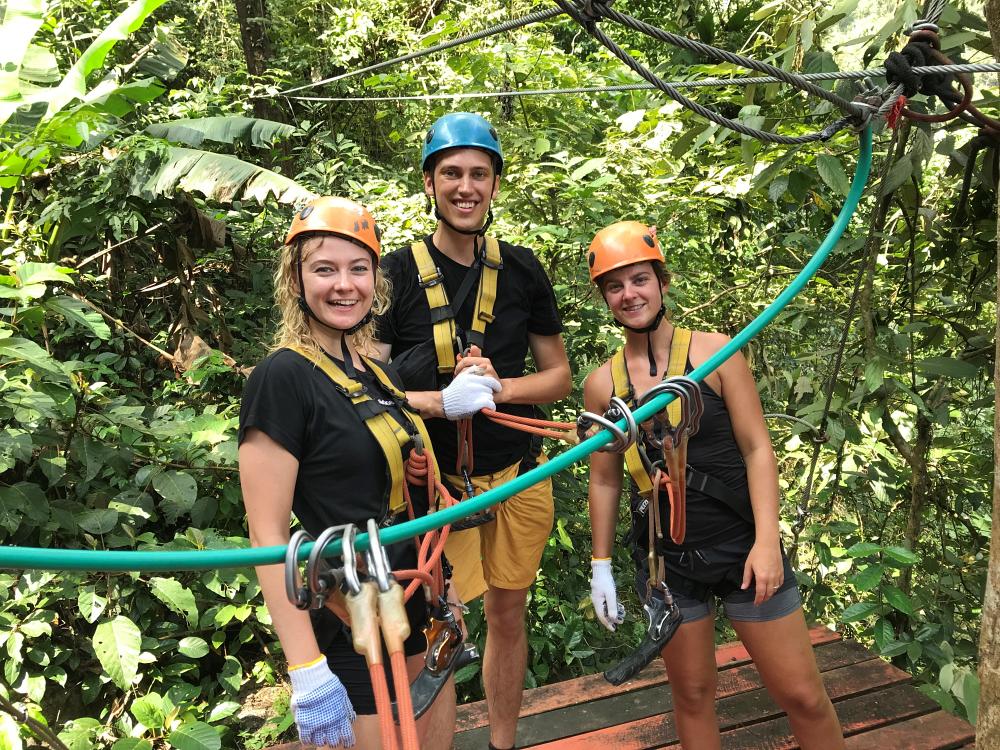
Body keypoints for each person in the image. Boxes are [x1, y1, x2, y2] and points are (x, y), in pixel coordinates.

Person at [238, 197, 499, 748]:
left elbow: (392, 492)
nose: (343, 285)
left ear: (375, 280)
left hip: (417, 605)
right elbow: (266, 537)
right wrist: (306, 669)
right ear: (296, 279)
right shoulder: (281, 378)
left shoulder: (373, 372)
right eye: (324, 269)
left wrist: (445, 589)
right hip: (352, 618)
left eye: (358, 269)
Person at [583, 221, 844, 748]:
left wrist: (768, 543)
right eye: (615, 285)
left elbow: (757, 448)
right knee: (694, 696)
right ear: (605, 298)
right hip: (668, 564)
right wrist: (601, 565)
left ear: (662, 282)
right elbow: (606, 481)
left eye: (639, 279)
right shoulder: (603, 384)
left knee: (803, 695)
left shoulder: (716, 354)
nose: (629, 294)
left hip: (742, 547)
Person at [374, 112, 572, 750]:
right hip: (435, 490)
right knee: (441, 631)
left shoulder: (520, 270)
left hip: (515, 474)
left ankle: (501, 743)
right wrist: (440, 402)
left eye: (478, 174)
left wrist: (499, 389)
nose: (466, 186)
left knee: (507, 617)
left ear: (493, 185)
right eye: (451, 173)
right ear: (429, 183)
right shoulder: (394, 275)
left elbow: (559, 377)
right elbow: (364, 388)